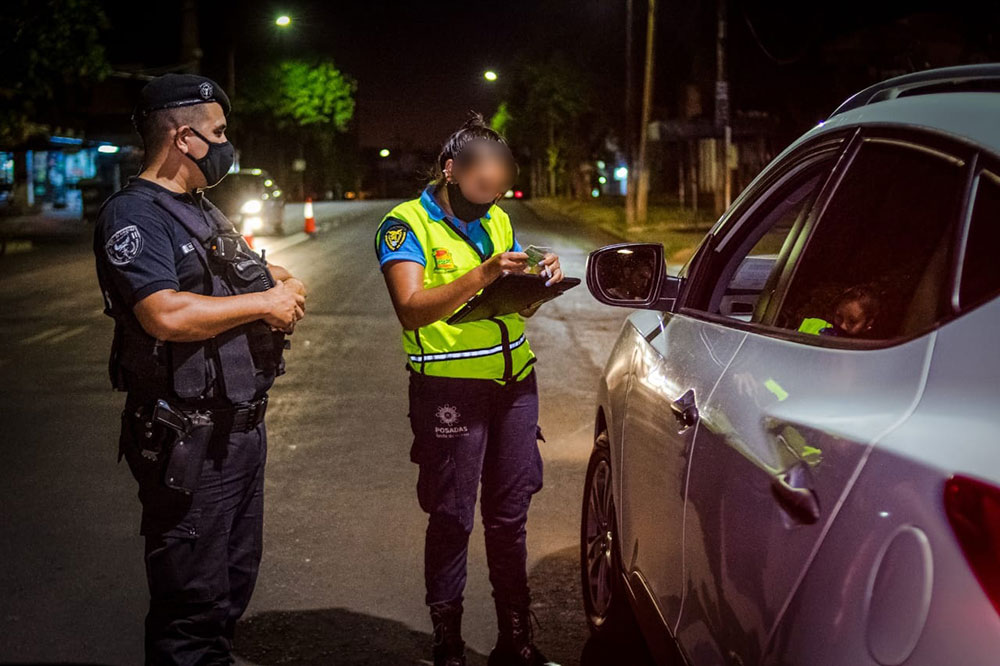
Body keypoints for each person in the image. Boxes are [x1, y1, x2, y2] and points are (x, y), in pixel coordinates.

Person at [93, 73, 307, 664]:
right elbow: (164, 312)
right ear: (184, 138)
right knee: (192, 606)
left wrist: (280, 283)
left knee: (230, 587)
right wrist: (265, 303)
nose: (225, 143)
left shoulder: (200, 209)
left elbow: (248, 270)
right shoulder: (134, 216)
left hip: (238, 432)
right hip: (189, 438)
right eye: (217, 132)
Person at [375, 115, 562, 666]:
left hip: (515, 384)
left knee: (510, 515)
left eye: (500, 185)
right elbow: (411, 311)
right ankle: (448, 645)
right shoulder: (403, 226)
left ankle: (516, 640)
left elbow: (516, 305)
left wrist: (538, 281)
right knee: (453, 515)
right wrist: (482, 275)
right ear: (451, 171)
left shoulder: (500, 220)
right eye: (482, 185)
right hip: (449, 390)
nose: (492, 196)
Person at [798, 285, 880, 337]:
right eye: (839, 317)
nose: (842, 326)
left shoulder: (867, 351)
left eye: (852, 321)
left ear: (868, 324)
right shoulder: (812, 325)